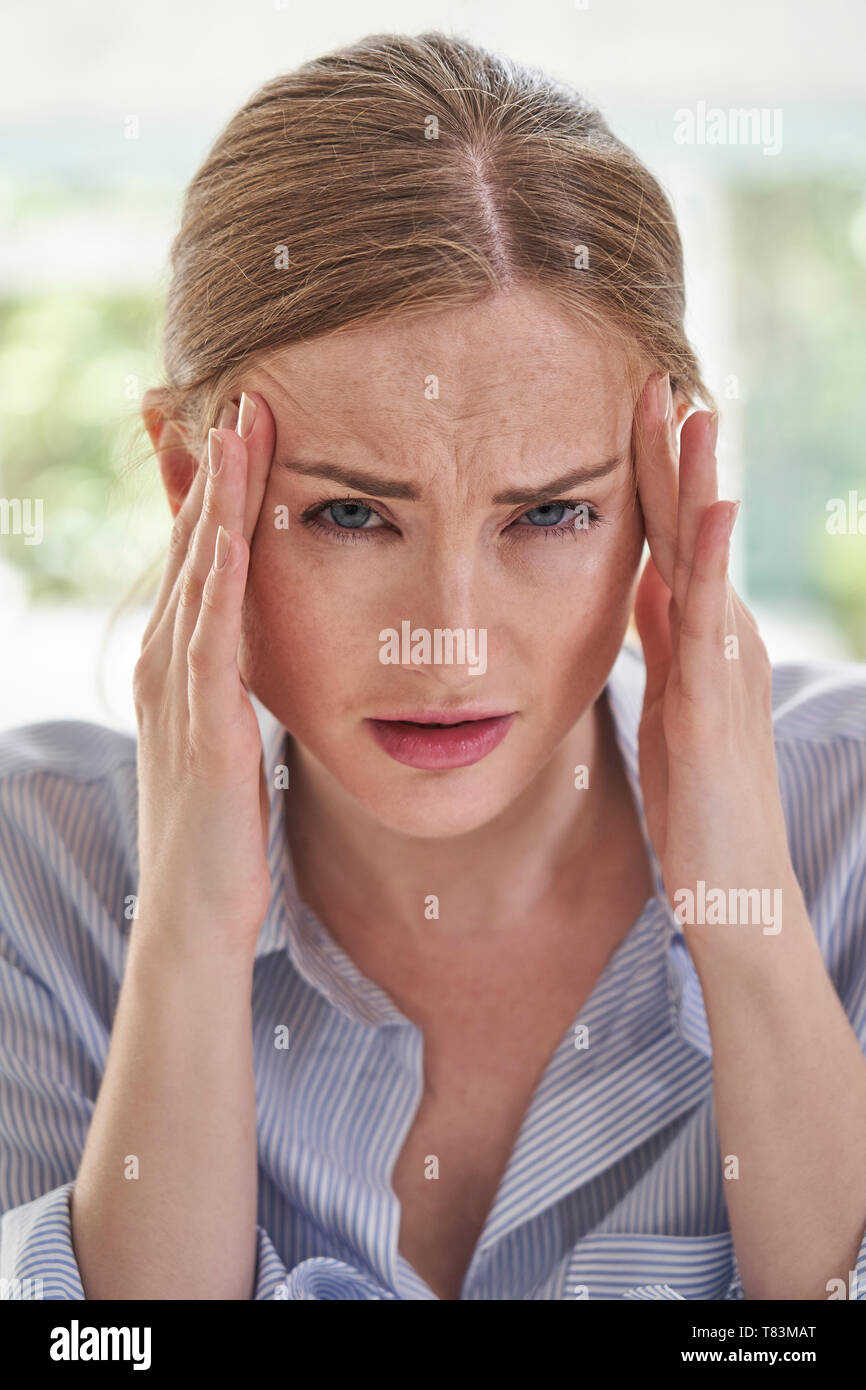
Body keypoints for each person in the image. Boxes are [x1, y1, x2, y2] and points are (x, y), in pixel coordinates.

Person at [1, 30, 865, 1303]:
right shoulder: (40, 873)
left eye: (548, 514)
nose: (450, 638)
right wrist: (184, 941)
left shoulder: (844, 827)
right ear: (194, 492)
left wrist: (743, 915)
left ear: (660, 493)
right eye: (352, 516)